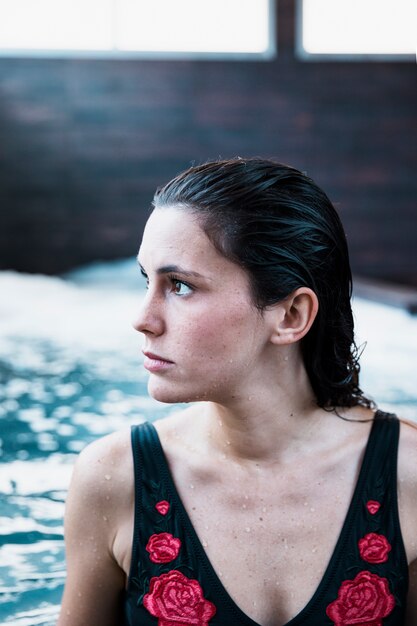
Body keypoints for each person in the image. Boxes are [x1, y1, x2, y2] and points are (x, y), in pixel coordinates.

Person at [57, 158, 417, 626]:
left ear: (290, 316)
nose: (142, 319)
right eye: (147, 281)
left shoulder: (405, 477)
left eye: (180, 286)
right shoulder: (115, 479)